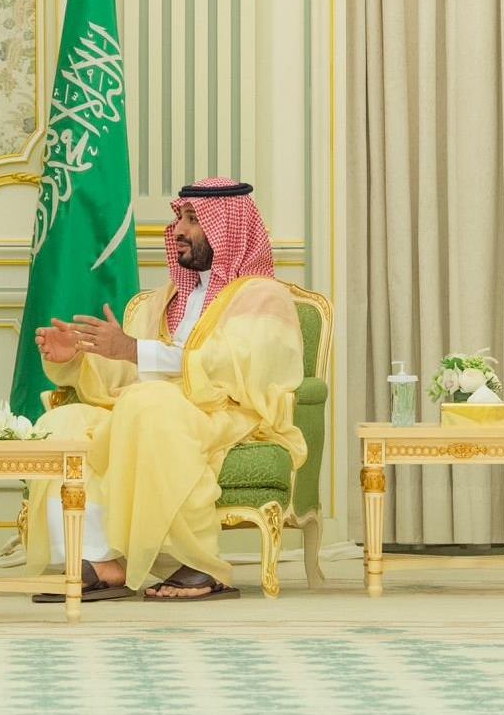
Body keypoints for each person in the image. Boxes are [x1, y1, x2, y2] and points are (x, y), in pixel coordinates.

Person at [27, 178, 304, 601]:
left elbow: (238, 367)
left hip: (226, 412)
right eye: (180, 219)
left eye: (193, 220)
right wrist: (76, 359)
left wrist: (134, 349)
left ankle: (201, 563)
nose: (179, 231)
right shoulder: (164, 300)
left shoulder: (263, 297)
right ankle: (98, 559)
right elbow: (127, 375)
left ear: (228, 228)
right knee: (60, 424)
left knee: (149, 404)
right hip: (149, 406)